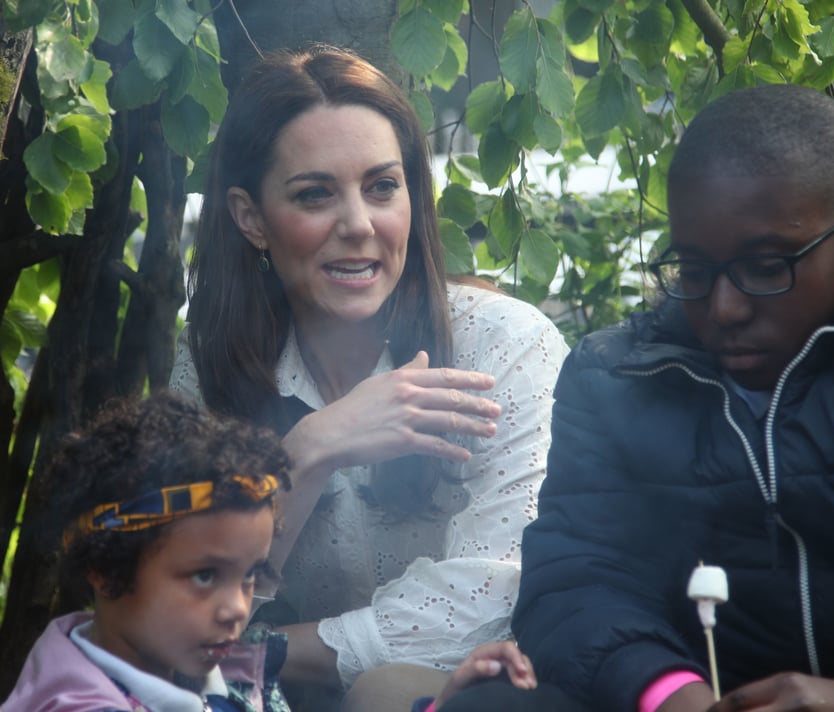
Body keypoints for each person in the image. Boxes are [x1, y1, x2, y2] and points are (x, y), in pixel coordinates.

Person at [441, 83, 834, 711]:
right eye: (694, 270)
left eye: (767, 267)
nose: (724, 308)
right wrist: (665, 692)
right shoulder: (619, 376)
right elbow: (575, 580)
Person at [168, 45, 569, 711]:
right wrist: (308, 451)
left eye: (382, 187)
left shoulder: (504, 348)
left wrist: (253, 655)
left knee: (383, 694)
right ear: (250, 219)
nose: (358, 226)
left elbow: (495, 599)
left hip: (478, 699)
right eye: (315, 194)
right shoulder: (208, 373)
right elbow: (182, 607)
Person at [2, 392, 293, 712]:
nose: (238, 609)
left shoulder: (187, 669)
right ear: (105, 566)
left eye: (249, 573)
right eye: (205, 575)